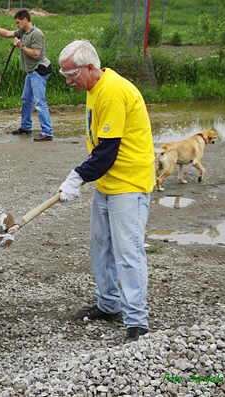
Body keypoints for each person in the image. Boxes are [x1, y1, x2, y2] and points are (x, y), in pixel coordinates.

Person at [57, 40, 155, 344]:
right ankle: (109, 305)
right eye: (64, 75)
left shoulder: (112, 90)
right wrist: (86, 176)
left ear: (89, 67)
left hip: (130, 183)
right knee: (101, 246)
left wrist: (77, 177)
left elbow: (107, 151)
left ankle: (137, 321)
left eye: (72, 74)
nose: (68, 80)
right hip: (109, 182)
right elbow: (102, 148)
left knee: (128, 252)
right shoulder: (93, 88)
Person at [0, 10, 53, 142]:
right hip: (31, 72)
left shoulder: (36, 34)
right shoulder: (22, 32)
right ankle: (26, 127)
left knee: (39, 102)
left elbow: (36, 54)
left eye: (18, 22)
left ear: (25, 20)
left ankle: (47, 132)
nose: (16, 25)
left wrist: (21, 46)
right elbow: (7, 33)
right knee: (26, 99)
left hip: (38, 71)